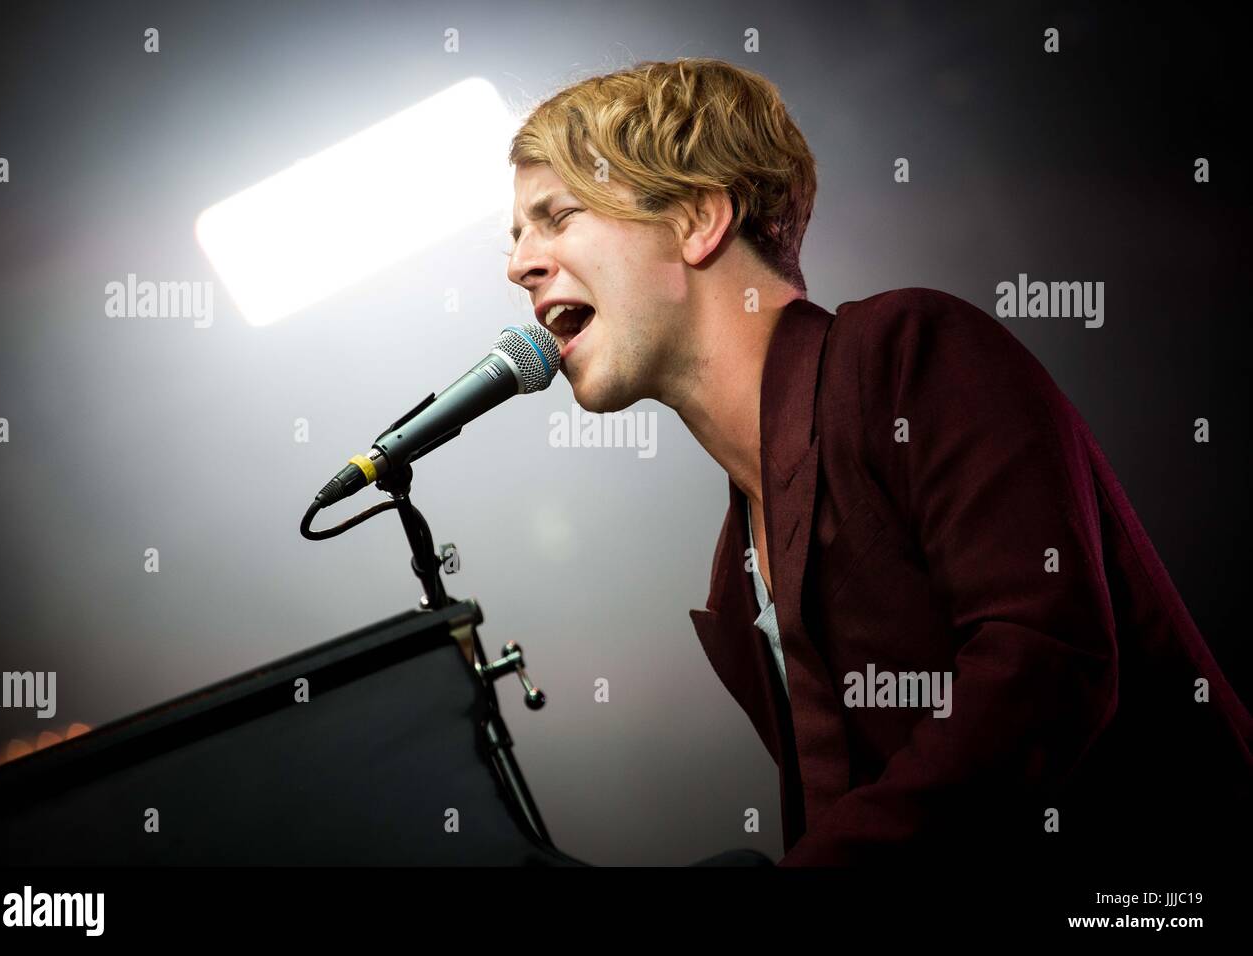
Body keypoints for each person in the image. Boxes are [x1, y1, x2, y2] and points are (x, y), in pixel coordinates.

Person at [504, 57, 1253, 865]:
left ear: (696, 217)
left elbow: (1047, 661)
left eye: (558, 215)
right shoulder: (734, 571)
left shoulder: (906, 350)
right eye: (518, 237)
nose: (520, 265)